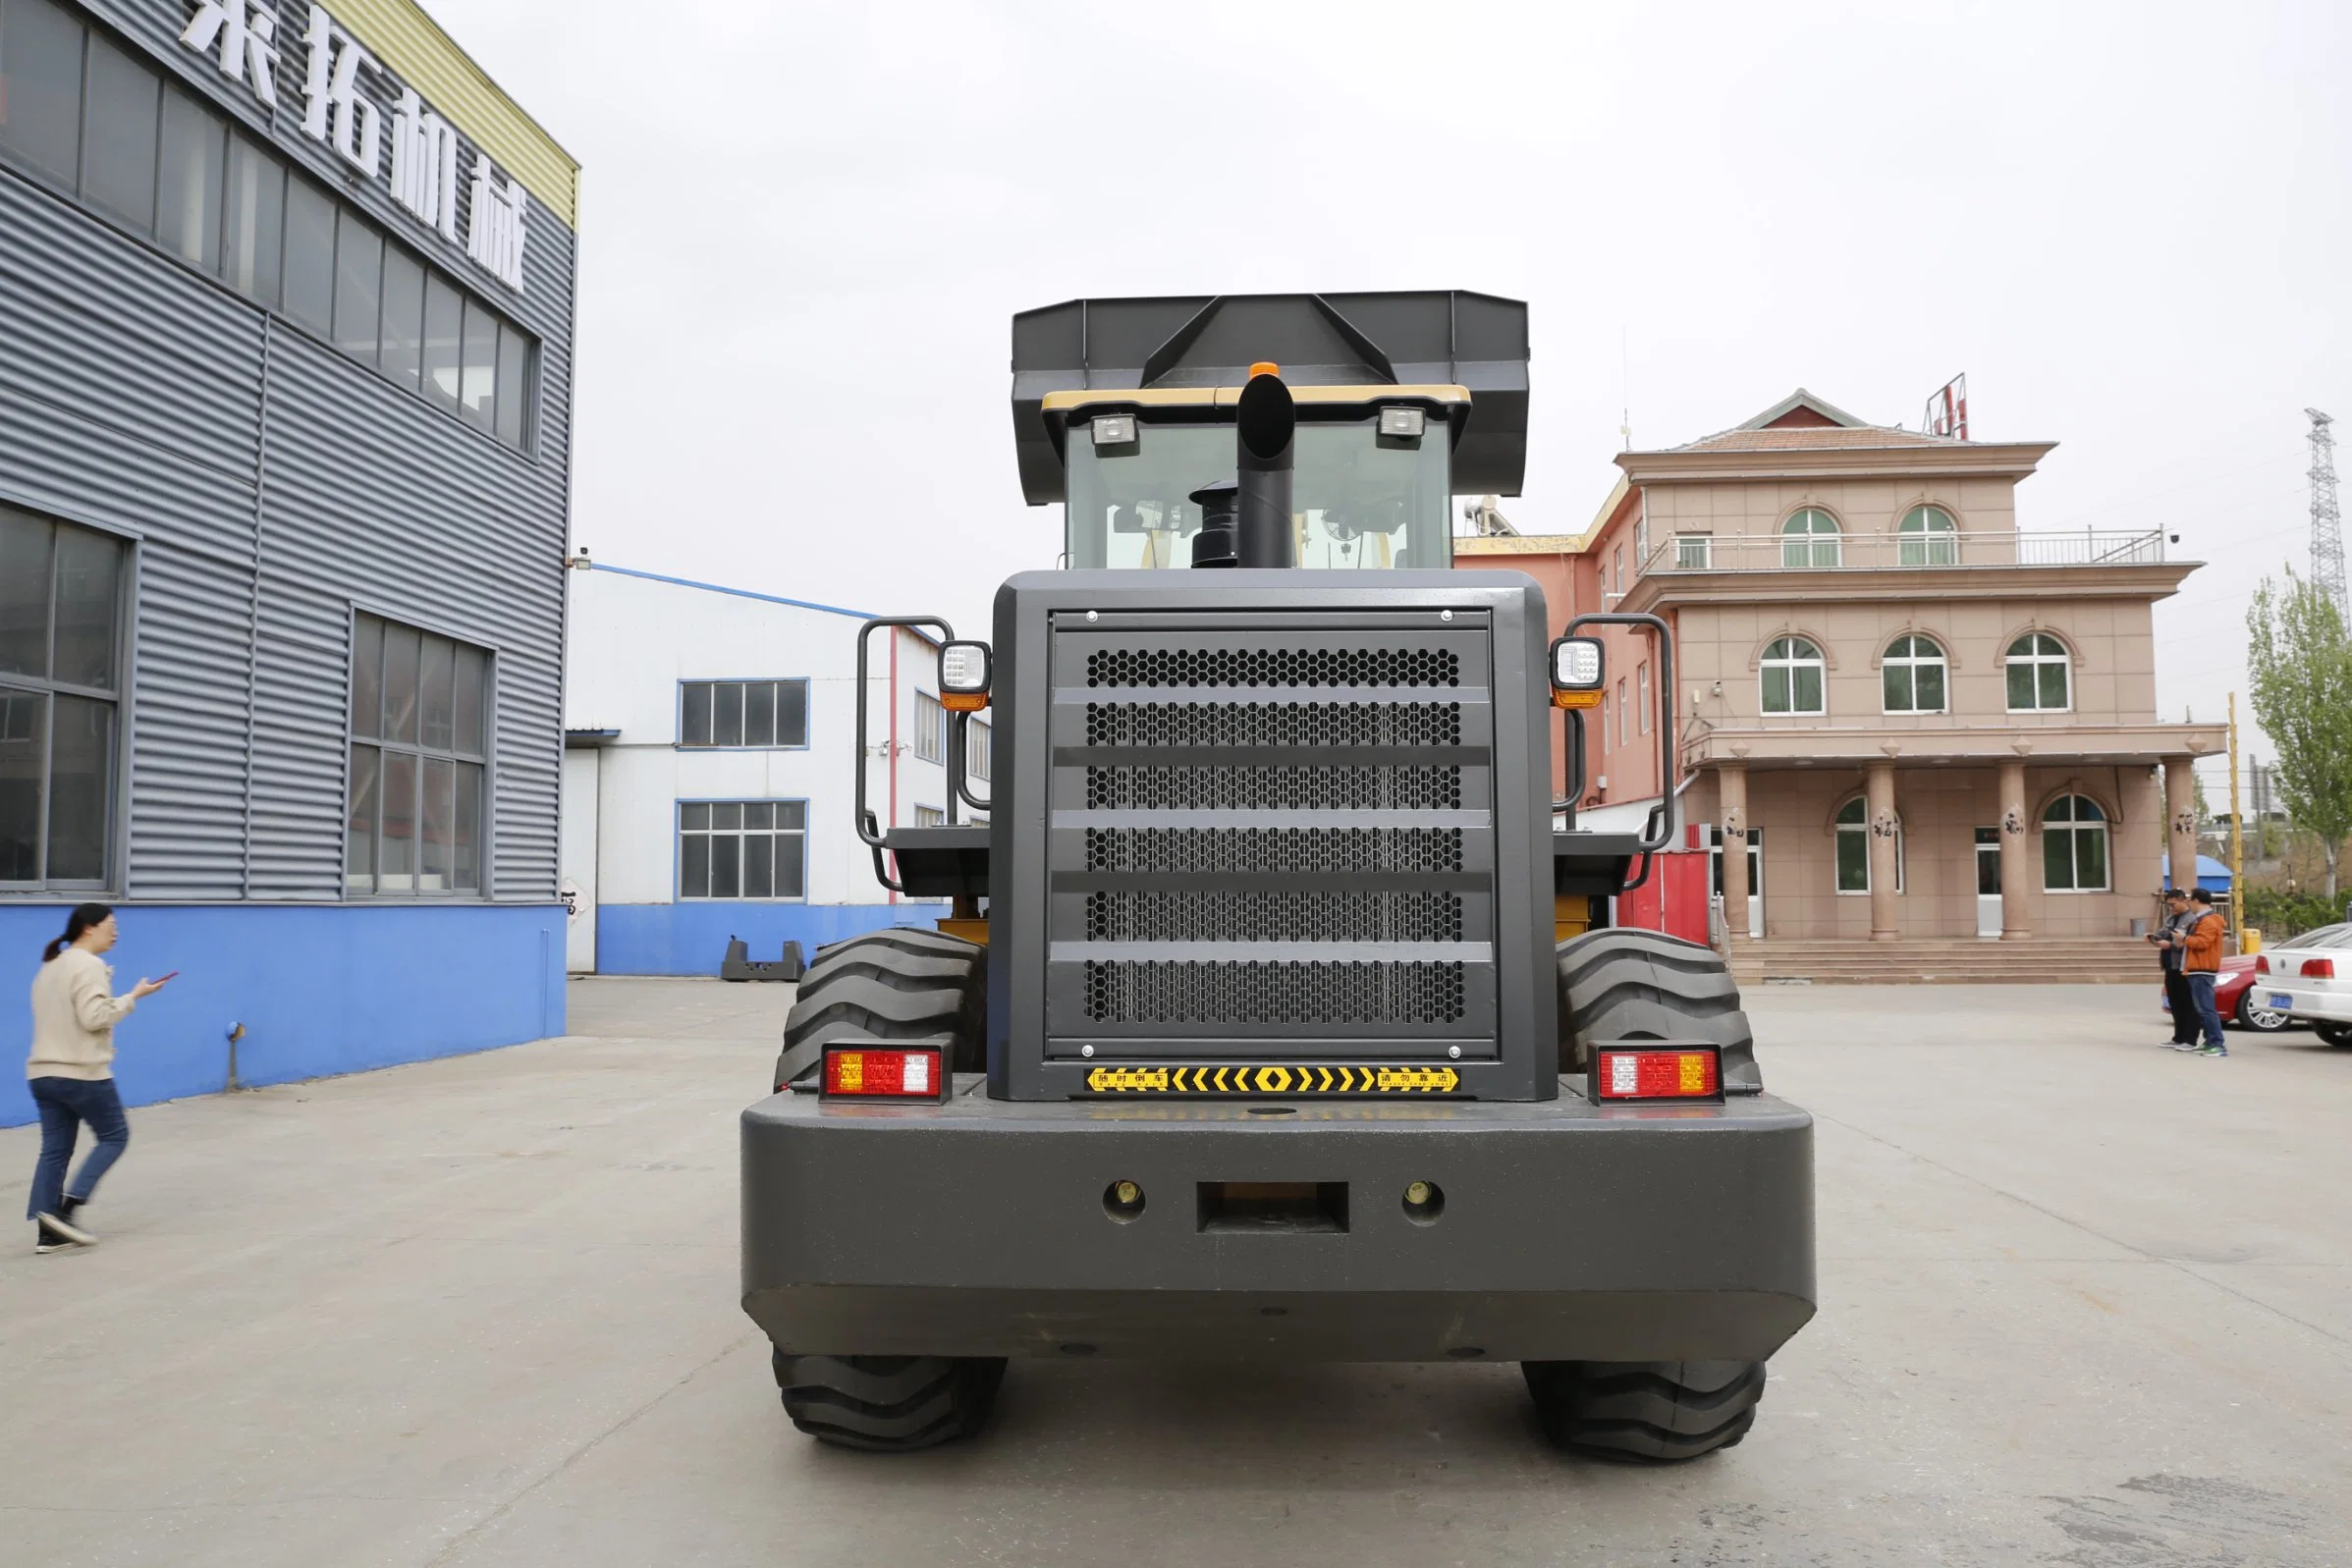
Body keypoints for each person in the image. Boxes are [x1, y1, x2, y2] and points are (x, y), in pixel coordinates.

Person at [25, 903, 172, 1254]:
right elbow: (94, 1017)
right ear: (88, 928)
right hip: (81, 1072)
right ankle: (68, 1211)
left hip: (43, 1073)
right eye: (111, 924)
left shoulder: (51, 966)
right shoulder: (89, 965)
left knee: (54, 1151)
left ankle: (48, 1234)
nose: (116, 931)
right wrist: (133, 998)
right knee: (115, 1136)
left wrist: (130, 995)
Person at [2176, 889, 2229, 1057]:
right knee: (2202, 1008)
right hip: (2197, 968)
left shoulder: (2208, 921)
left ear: (2197, 900)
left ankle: (2217, 1043)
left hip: (2202, 968)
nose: (2189, 903)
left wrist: (2184, 939)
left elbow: (2202, 943)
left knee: (2207, 1009)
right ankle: (2209, 1041)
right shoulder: (2202, 920)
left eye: (2190, 900)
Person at [2149, 888, 2199, 1047]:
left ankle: (2190, 1039)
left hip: (2184, 966)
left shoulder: (2192, 919)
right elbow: (2163, 933)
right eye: (2169, 905)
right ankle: (2178, 1037)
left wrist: (2170, 945)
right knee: (2175, 1003)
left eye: (2174, 904)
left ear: (2183, 900)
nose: (2171, 907)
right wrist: (2153, 938)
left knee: (2187, 1003)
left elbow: (2191, 943)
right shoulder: (2171, 919)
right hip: (2170, 965)